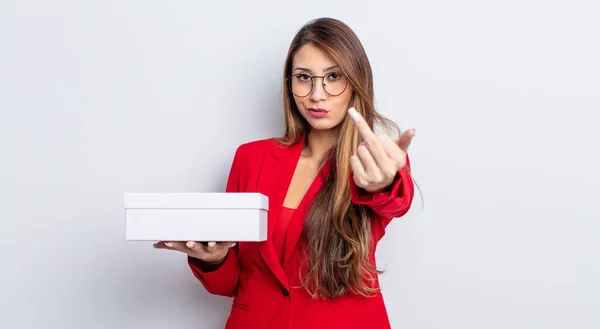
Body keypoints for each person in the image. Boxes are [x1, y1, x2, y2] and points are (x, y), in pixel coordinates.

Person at [154, 17, 416, 329]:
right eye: (304, 78)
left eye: (333, 76)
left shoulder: (373, 161)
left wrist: (383, 183)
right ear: (289, 84)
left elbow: (395, 201)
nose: (317, 94)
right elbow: (234, 284)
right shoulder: (251, 158)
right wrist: (214, 259)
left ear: (357, 82)